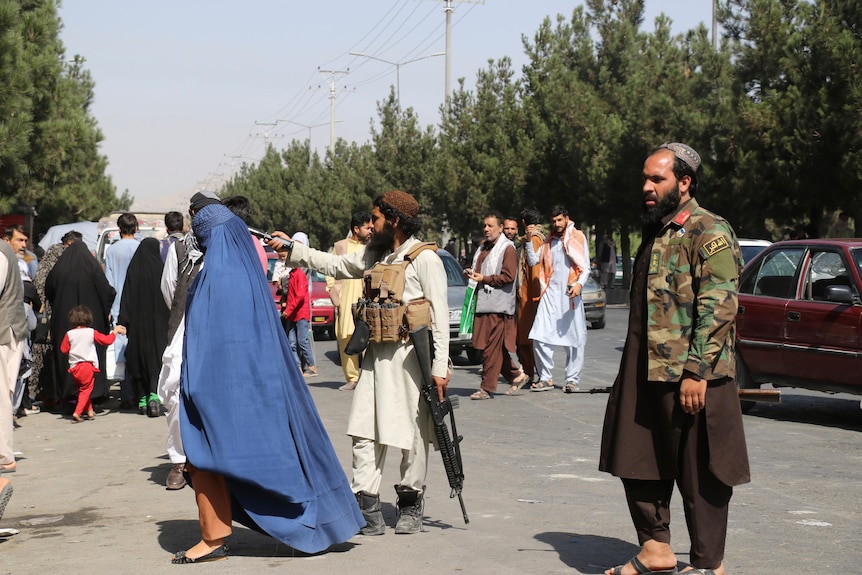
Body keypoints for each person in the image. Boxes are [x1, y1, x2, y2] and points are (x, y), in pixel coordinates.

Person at [173, 198, 363, 563]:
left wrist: (195, 388)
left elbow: (216, 342)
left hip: (220, 390)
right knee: (221, 458)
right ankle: (218, 535)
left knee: (206, 455)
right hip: (249, 389)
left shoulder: (220, 276)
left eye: (200, 233)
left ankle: (215, 539)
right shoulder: (241, 271)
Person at [599, 142, 750, 575]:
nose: (646, 187)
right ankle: (655, 549)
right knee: (634, 457)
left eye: (656, 179)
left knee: (703, 473)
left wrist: (697, 372)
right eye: (644, 178)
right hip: (645, 371)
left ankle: (708, 565)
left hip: (693, 377)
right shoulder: (657, 231)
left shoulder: (709, 230)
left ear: (684, 183)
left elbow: (720, 306)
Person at [269, 189, 450, 536]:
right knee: (364, 432)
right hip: (374, 360)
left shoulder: (425, 259)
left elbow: (439, 316)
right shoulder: (376, 255)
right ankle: (367, 505)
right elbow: (335, 264)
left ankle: (411, 503)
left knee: (413, 435)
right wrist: (293, 250)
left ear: (394, 220)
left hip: (412, 361)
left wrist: (440, 368)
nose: (370, 225)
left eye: (376, 219)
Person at [524, 205, 590, 393]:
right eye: (553, 221)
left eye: (560, 220)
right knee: (539, 335)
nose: (557, 224)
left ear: (567, 218)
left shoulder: (578, 237)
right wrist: (529, 240)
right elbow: (533, 260)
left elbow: (585, 267)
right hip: (550, 294)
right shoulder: (549, 240)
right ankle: (545, 377)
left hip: (570, 295)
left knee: (574, 339)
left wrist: (579, 285)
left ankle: (572, 379)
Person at [45, 241, 116, 411]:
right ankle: (94, 394)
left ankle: (68, 395)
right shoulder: (93, 269)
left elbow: (49, 289)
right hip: (92, 319)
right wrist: (103, 310)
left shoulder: (60, 269)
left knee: (66, 357)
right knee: (92, 353)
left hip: (64, 320)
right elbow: (108, 292)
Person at [465, 211, 525, 400]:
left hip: (499, 307)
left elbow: (508, 277)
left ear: (500, 228)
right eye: (485, 225)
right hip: (483, 304)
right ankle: (516, 375)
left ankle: (486, 388)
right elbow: (479, 270)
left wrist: (485, 278)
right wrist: (473, 274)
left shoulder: (508, 249)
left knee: (492, 349)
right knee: (491, 348)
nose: (486, 229)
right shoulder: (483, 248)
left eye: (491, 226)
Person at [118, 238, 169, 417]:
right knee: (156, 359)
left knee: (138, 360)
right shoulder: (160, 270)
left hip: (138, 325)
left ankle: (142, 399)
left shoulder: (134, 269)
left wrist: (123, 320)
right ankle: (154, 396)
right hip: (158, 325)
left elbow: (126, 296)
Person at [327, 211, 373, 391]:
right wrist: (334, 293)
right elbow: (330, 270)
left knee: (368, 338)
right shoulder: (340, 246)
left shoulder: (372, 247)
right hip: (346, 298)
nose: (371, 230)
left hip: (366, 298)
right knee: (346, 337)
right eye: (367, 227)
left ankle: (368, 378)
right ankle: (352, 378)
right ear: (356, 229)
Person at [60, 305, 126, 423]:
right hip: (88, 366)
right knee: (86, 390)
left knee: (82, 390)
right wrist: (114, 332)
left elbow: (64, 350)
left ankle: (90, 411)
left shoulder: (69, 334)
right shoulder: (91, 332)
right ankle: (78, 412)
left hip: (75, 367)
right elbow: (107, 341)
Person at [104, 212, 140, 409]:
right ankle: (138, 389)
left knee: (122, 349)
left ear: (119, 229)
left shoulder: (111, 251)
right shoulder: (141, 248)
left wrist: (108, 308)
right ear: (136, 228)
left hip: (118, 305)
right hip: (137, 305)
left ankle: (126, 394)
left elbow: (109, 282)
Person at [0, 238, 28, 473]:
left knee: (1, 396)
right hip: (7, 329)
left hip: (4, 331)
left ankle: (4, 455)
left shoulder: (0, 252)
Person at [515, 207, 545, 387]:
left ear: (524, 222)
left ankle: (530, 371)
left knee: (526, 338)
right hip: (529, 295)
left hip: (531, 297)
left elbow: (534, 270)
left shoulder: (533, 240)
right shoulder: (535, 238)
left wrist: (535, 298)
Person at [281, 232, 317, 377]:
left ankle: (311, 366)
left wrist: (288, 310)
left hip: (300, 312)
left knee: (302, 341)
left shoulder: (301, 272)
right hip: (293, 313)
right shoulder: (293, 274)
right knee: (292, 342)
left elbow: (299, 296)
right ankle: (298, 368)